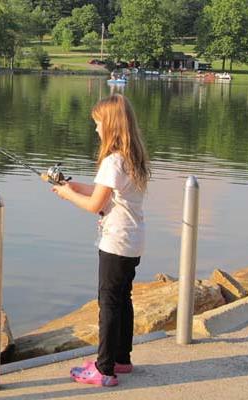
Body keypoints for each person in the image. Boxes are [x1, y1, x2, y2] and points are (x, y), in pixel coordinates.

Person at [50, 94, 150, 387]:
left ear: (110, 125)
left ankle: (104, 369)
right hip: (134, 240)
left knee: (108, 302)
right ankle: (122, 359)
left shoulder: (112, 160)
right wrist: (71, 185)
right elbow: (104, 192)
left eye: (97, 124)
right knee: (123, 299)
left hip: (116, 241)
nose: (95, 130)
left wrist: (68, 196)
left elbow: (95, 204)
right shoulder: (133, 157)